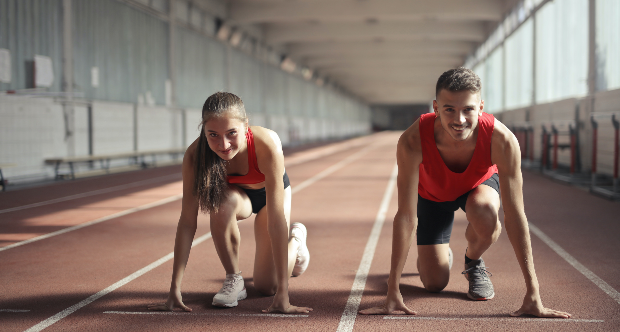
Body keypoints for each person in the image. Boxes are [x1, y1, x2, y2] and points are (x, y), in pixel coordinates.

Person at [359, 68, 571, 318]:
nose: (459, 119)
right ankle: (438, 255)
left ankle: (473, 261)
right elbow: (405, 215)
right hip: (432, 196)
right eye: (449, 109)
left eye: (468, 109)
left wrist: (533, 292)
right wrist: (392, 290)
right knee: (434, 283)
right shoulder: (412, 140)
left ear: (480, 107)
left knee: (486, 215)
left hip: (477, 188)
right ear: (436, 108)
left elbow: (515, 216)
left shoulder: (502, 140)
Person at [148, 92, 312, 314]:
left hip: (270, 197)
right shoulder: (195, 156)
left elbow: (275, 221)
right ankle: (234, 279)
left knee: (267, 287)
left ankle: (296, 241)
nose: (223, 144)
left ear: (246, 126)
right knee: (221, 203)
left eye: (231, 133)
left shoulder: (267, 144)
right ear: (203, 130)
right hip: (237, 197)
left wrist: (284, 294)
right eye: (213, 134)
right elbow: (187, 222)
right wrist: (174, 290)